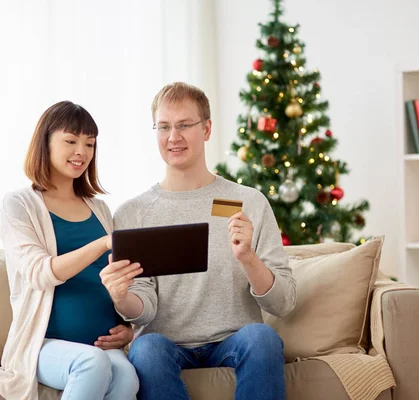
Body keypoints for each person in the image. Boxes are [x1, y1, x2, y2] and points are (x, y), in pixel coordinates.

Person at [100, 82, 297, 400]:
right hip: (165, 345)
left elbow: (283, 303)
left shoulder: (249, 201)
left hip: (235, 341)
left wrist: (248, 257)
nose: (173, 137)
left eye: (184, 125)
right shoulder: (133, 213)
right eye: (163, 127)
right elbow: (143, 310)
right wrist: (121, 297)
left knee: (262, 338)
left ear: (206, 129)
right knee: (146, 347)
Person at [0, 101, 140, 400]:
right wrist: (102, 243)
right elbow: (38, 273)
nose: (81, 151)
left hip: (102, 342)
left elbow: (119, 278)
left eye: (89, 144)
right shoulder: (20, 204)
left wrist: (128, 329)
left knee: (127, 378)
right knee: (90, 364)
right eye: (70, 141)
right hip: (46, 344)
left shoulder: (100, 209)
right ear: (46, 142)